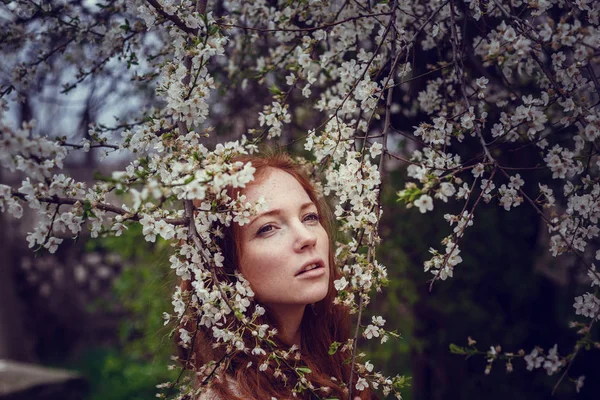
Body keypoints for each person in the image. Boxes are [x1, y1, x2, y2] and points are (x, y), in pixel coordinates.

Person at [179, 153, 372, 400]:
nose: (307, 238)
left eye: (309, 217)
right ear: (224, 265)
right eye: (268, 228)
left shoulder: (335, 365)